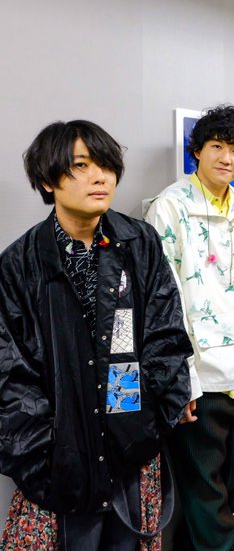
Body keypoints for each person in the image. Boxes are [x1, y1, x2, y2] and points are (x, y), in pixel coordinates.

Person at [0, 120, 194, 551]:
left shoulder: (138, 241)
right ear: (48, 181)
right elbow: (10, 373)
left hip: (133, 443)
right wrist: (42, 453)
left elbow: (165, 333)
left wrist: (148, 423)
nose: (100, 176)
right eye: (81, 166)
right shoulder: (19, 264)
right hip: (58, 459)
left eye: (105, 165)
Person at [146, 105, 234, 551]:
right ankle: (217, 544)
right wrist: (182, 379)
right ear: (197, 150)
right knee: (203, 475)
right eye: (217, 146)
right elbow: (164, 302)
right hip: (200, 371)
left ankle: (201, 539)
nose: (226, 157)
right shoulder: (170, 207)